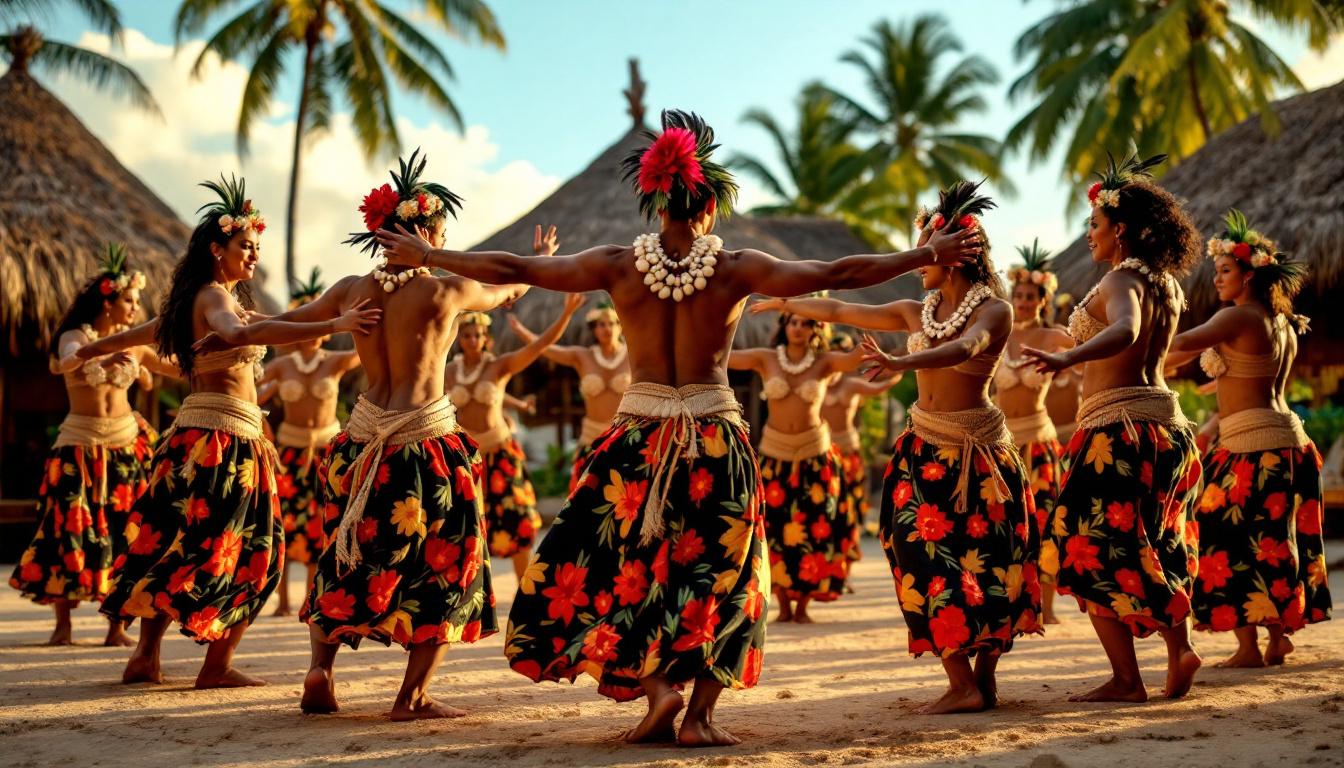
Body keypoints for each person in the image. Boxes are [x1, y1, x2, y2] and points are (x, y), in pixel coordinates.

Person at [377, 109, 983, 745]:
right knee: (728, 574)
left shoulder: (617, 264)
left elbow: (518, 271)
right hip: (713, 437)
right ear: (711, 207)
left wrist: (431, 253)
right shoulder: (736, 267)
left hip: (636, 438)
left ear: (655, 201)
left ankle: (656, 688)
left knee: (619, 568)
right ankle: (696, 716)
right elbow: (837, 275)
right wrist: (925, 253)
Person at [77, 178, 380, 688]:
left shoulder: (194, 301)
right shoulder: (216, 298)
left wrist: (94, 350)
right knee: (255, 548)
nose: (255, 255)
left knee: (173, 540)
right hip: (227, 443)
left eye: (258, 247)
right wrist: (338, 323)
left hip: (192, 436)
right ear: (217, 249)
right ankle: (215, 665)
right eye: (246, 246)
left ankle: (146, 655)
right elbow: (242, 333)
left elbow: (150, 332)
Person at [764, 181, 1041, 714]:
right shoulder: (918, 311)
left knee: (991, 565)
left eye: (927, 250)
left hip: (978, 455)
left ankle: (983, 680)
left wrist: (902, 364)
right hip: (924, 452)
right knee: (918, 552)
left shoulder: (996, 312)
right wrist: (789, 301)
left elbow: (967, 347)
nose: (921, 259)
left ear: (956, 255)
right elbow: (845, 310)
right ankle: (960, 681)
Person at [297, 151, 545, 720]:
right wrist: (536, 262)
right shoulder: (446, 293)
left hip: (359, 445)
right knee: (448, 562)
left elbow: (297, 325)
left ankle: (321, 668)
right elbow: (508, 289)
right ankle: (411, 697)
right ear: (429, 234)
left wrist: (236, 334)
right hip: (424, 446)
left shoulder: (352, 289)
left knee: (345, 557)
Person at [1023, 154, 1204, 702]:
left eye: (1094, 226)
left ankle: (1128, 679)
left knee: (1080, 546)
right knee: (1155, 540)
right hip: (1166, 427)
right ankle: (1180, 650)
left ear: (1119, 229)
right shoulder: (1167, 287)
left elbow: (1125, 331)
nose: (1088, 236)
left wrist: (1066, 359)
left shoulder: (1122, 279)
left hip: (1116, 432)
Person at [1165, 210, 1330, 666]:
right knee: (1276, 541)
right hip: (1290, 442)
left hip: (1253, 447)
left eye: (1224, 270)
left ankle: (1248, 646)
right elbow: (1258, 377)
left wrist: (1130, 347)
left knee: (1223, 537)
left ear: (1249, 274)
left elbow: (1180, 343)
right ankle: (1279, 636)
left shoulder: (1236, 317)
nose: (1216, 279)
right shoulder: (1283, 323)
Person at [9, 245, 176, 646]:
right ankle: (62, 625)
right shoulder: (76, 336)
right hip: (79, 446)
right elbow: (65, 359)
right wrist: (94, 354)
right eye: (130, 301)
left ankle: (116, 628)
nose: (135, 309)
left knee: (125, 534)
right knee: (67, 531)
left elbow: (170, 367)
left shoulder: (133, 343)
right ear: (108, 300)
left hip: (124, 446)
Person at [728, 310, 864, 622]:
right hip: (774, 455)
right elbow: (727, 357)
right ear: (784, 326)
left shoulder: (824, 362)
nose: (798, 328)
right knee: (772, 530)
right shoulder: (766, 358)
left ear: (817, 328)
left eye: (806, 323)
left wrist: (867, 330)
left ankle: (803, 606)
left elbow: (855, 359)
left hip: (814, 456)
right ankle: (783, 606)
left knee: (813, 530)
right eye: (793, 322)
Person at [447, 297, 583, 581]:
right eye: (467, 335)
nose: (473, 340)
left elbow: (540, 346)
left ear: (487, 339)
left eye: (478, 335)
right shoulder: (447, 373)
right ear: (459, 339)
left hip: (500, 453)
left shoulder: (499, 367)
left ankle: (524, 595)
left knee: (516, 524)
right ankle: (469, 595)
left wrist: (566, 313)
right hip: (465, 457)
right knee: (463, 528)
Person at [258, 269, 362, 616]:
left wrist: (354, 319)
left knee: (321, 524)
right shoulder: (281, 365)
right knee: (287, 523)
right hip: (289, 450)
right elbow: (250, 390)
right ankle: (283, 601)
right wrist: (259, 414)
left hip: (326, 452)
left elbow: (369, 350)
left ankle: (311, 598)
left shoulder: (334, 362)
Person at [998, 241, 1073, 623]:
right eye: (1018, 295)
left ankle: (1046, 604)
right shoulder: (996, 334)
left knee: (1043, 521)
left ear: (1043, 299)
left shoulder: (1053, 337)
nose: (1023, 302)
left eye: (1030, 296)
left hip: (1039, 442)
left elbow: (1092, 351)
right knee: (1003, 521)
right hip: (1002, 444)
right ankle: (1008, 599)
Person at [509, 301, 631, 494]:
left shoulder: (632, 355)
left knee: (627, 499)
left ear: (619, 326)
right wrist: (522, 331)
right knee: (586, 499)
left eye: (611, 323)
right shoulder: (582, 356)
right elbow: (547, 348)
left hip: (625, 436)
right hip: (592, 437)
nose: (607, 328)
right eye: (601, 324)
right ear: (594, 330)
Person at [820, 334, 898, 546]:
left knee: (849, 501)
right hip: (822, 449)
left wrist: (898, 369)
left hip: (847, 447)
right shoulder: (817, 382)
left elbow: (878, 386)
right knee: (825, 501)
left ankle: (847, 546)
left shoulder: (853, 384)